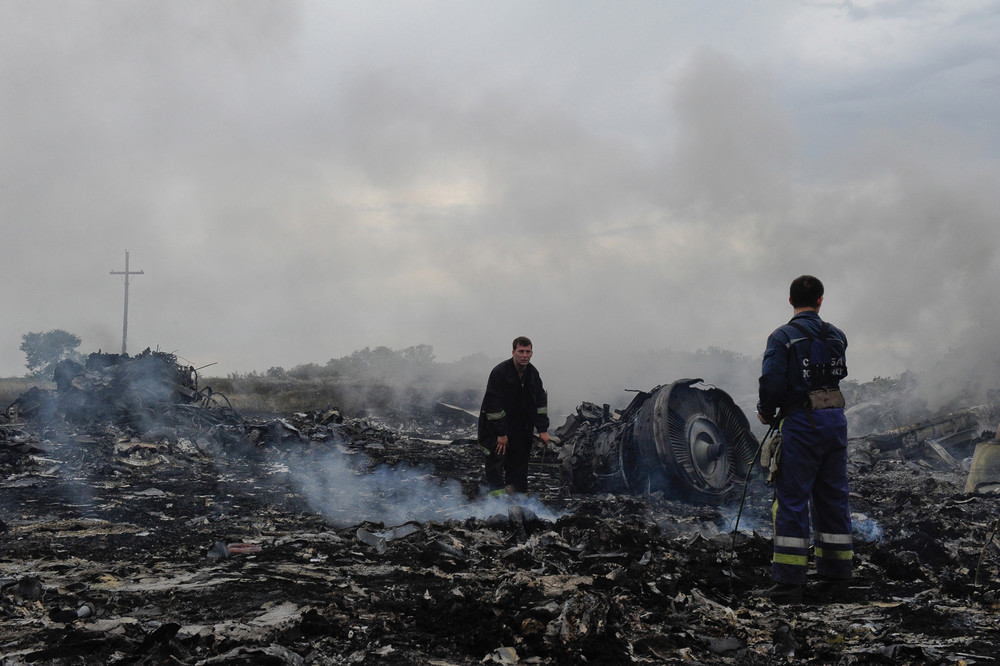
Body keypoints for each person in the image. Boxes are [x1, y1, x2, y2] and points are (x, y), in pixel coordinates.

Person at [756, 275, 852, 603]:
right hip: (835, 421)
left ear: (790, 301)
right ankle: (837, 579)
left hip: (803, 423)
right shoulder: (836, 335)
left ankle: (788, 584)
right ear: (821, 300)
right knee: (833, 497)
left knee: (793, 499)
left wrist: (766, 412)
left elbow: (772, 382)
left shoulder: (782, 337)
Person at [478, 336, 550, 494]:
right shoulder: (500, 372)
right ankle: (496, 506)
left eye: (528, 352)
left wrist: (542, 429)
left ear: (532, 353)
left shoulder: (532, 374)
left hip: (520, 428)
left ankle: (519, 503)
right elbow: (492, 405)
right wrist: (501, 433)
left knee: (519, 464)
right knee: (496, 461)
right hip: (496, 428)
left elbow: (540, 402)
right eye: (521, 351)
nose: (524, 355)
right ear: (513, 352)